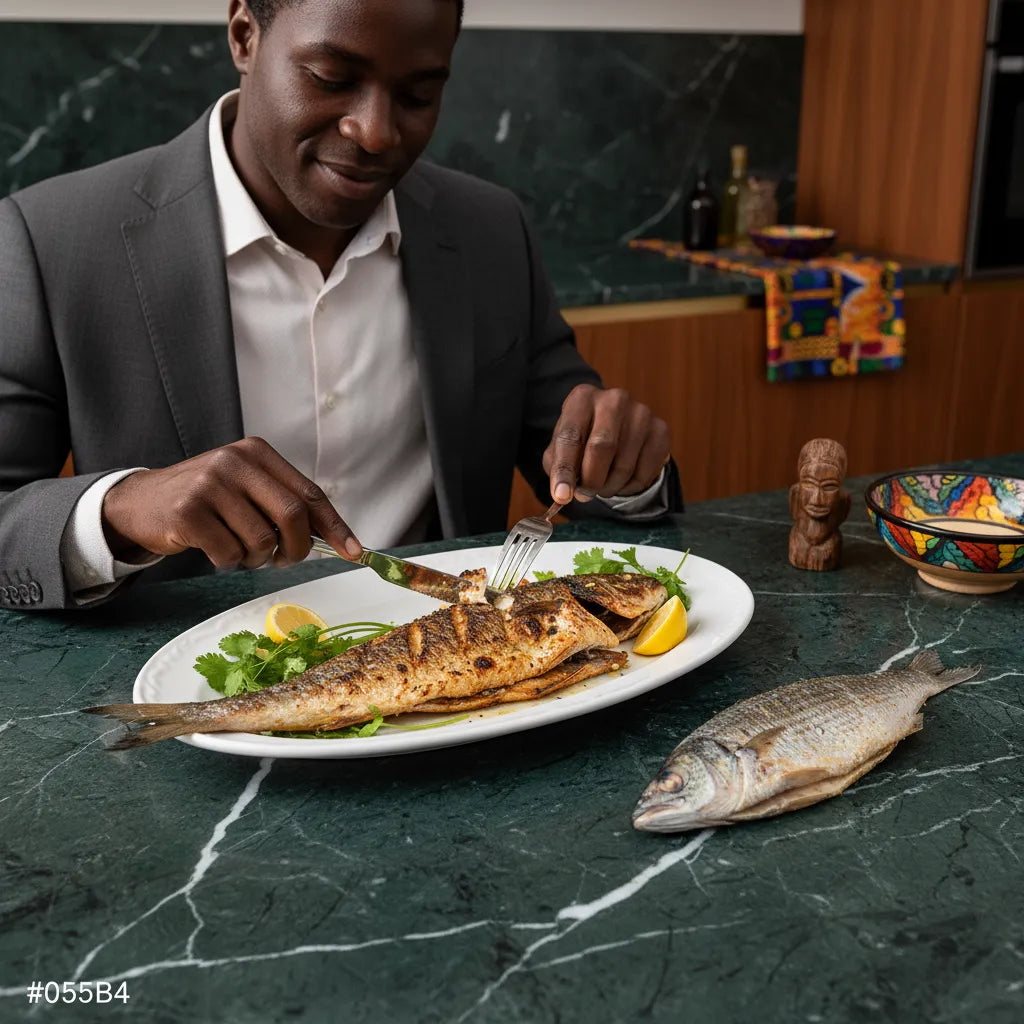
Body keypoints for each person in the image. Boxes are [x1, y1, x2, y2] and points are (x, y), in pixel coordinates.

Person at [0, 0, 680, 612]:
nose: (376, 131)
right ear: (244, 35)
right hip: (189, 710)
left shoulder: (490, 231)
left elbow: (580, 462)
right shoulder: (53, 239)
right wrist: (120, 509)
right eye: (331, 79)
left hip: (454, 687)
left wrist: (624, 469)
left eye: (417, 95)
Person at [788, 438, 851, 571]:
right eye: (809, 485)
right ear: (795, 493)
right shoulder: (796, 542)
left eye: (829, 487)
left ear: (843, 501)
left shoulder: (833, 544)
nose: (817, 500)